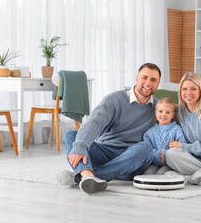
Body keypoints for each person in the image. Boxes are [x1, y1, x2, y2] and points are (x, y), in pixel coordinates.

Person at [57, 63, 161, 194]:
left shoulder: (159, 108)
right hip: (104, 151)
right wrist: (80, 147)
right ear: (137, 78)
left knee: (146, 148)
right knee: (70, 136)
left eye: (153, 80)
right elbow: (93, 124)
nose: (148, 83)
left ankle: (84, 176)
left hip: (130, 160)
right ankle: (88, 175)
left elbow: (169, 132)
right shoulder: (114, 99)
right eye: (144, 78)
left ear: (158, 84)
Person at [142, 98, 186, 175]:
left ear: (173, 115)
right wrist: (159, 156)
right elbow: (147, 149)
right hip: (154, 162)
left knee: (161, 174)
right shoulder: (149, 133)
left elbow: (182, 145)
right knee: (147, 173)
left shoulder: (176, 129)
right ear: (155, 112)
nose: (163, 114)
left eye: (168, 112)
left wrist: (165, 154)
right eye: (160, 111)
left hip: (170, 162)